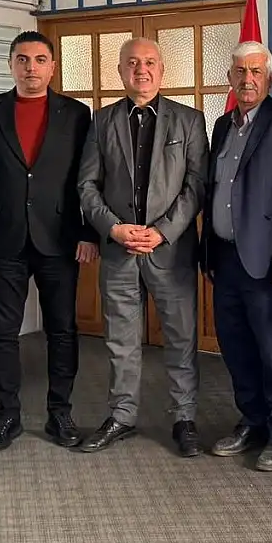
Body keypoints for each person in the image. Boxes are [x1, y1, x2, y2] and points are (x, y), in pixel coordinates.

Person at [0, 31, 99, 453]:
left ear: (52, 67)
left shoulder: (77, 114)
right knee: (3, 332)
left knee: (62, 330)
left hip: (60, 239)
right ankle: (7, 416)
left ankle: (60, 413)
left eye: (39, 60)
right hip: (4, 240)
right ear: (11, 65)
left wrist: (89, 232)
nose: (30, 67)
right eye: (22, 59)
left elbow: (91, 177)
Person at [76, 37, 210, 457]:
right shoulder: (101, 121)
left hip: (170, 250)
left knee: (181, 338)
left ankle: (184, 418)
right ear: (120, 71)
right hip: (119, 251)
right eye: (132, 62)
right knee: (120, 340)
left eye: (150, 62)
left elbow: (196, 186)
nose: (142, 69)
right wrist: (113, 229)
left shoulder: (189, 121)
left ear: (162, 70)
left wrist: (163, 231)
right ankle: (122, 416)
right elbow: (87, 184)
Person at [201, 41, 272, 472]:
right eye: (240, 72)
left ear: (270, 78)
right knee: (236, 348)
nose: (248, 80)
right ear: (230, 77)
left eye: (256, 72)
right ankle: (253, 420)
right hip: (225, 257)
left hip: (268, 262)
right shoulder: (221, 125)